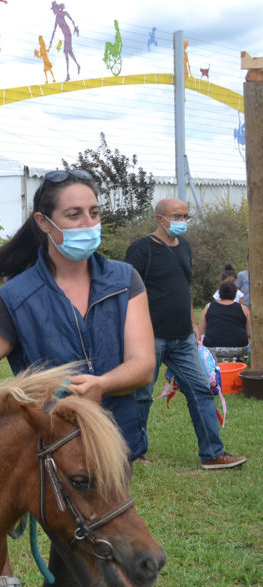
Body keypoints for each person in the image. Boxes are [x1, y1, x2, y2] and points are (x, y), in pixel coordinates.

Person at [0, 170, 155, 586]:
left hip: (114, 449)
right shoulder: (16, 298)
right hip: (52, 460)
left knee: (99, 561)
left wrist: (101, 384)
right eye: (74, 215)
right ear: (45, 223)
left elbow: (143, 363)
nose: (88, 225)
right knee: (91, 567)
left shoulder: (124, 280)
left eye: (94, 213)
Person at [125, 198, 247, 470]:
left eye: (185, 216)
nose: (182, 221)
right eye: (177, 216)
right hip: (149, 337)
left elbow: (184, 288)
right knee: (142, 395)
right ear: (160, 219)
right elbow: (127, 292)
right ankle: (134, 453)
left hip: (183, 338)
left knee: (202, 389)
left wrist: (193, 324)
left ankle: (212, 454)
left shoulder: (185, 248)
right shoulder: (142, 249)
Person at [201, 280, 251, 360]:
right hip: (239, 348)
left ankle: (211, 365)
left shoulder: (208, 307)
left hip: (212, 348)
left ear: (219, 293)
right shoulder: (244, 309)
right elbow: (249, 333)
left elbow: (201, 332)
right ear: (235, 294)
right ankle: (239, 362)